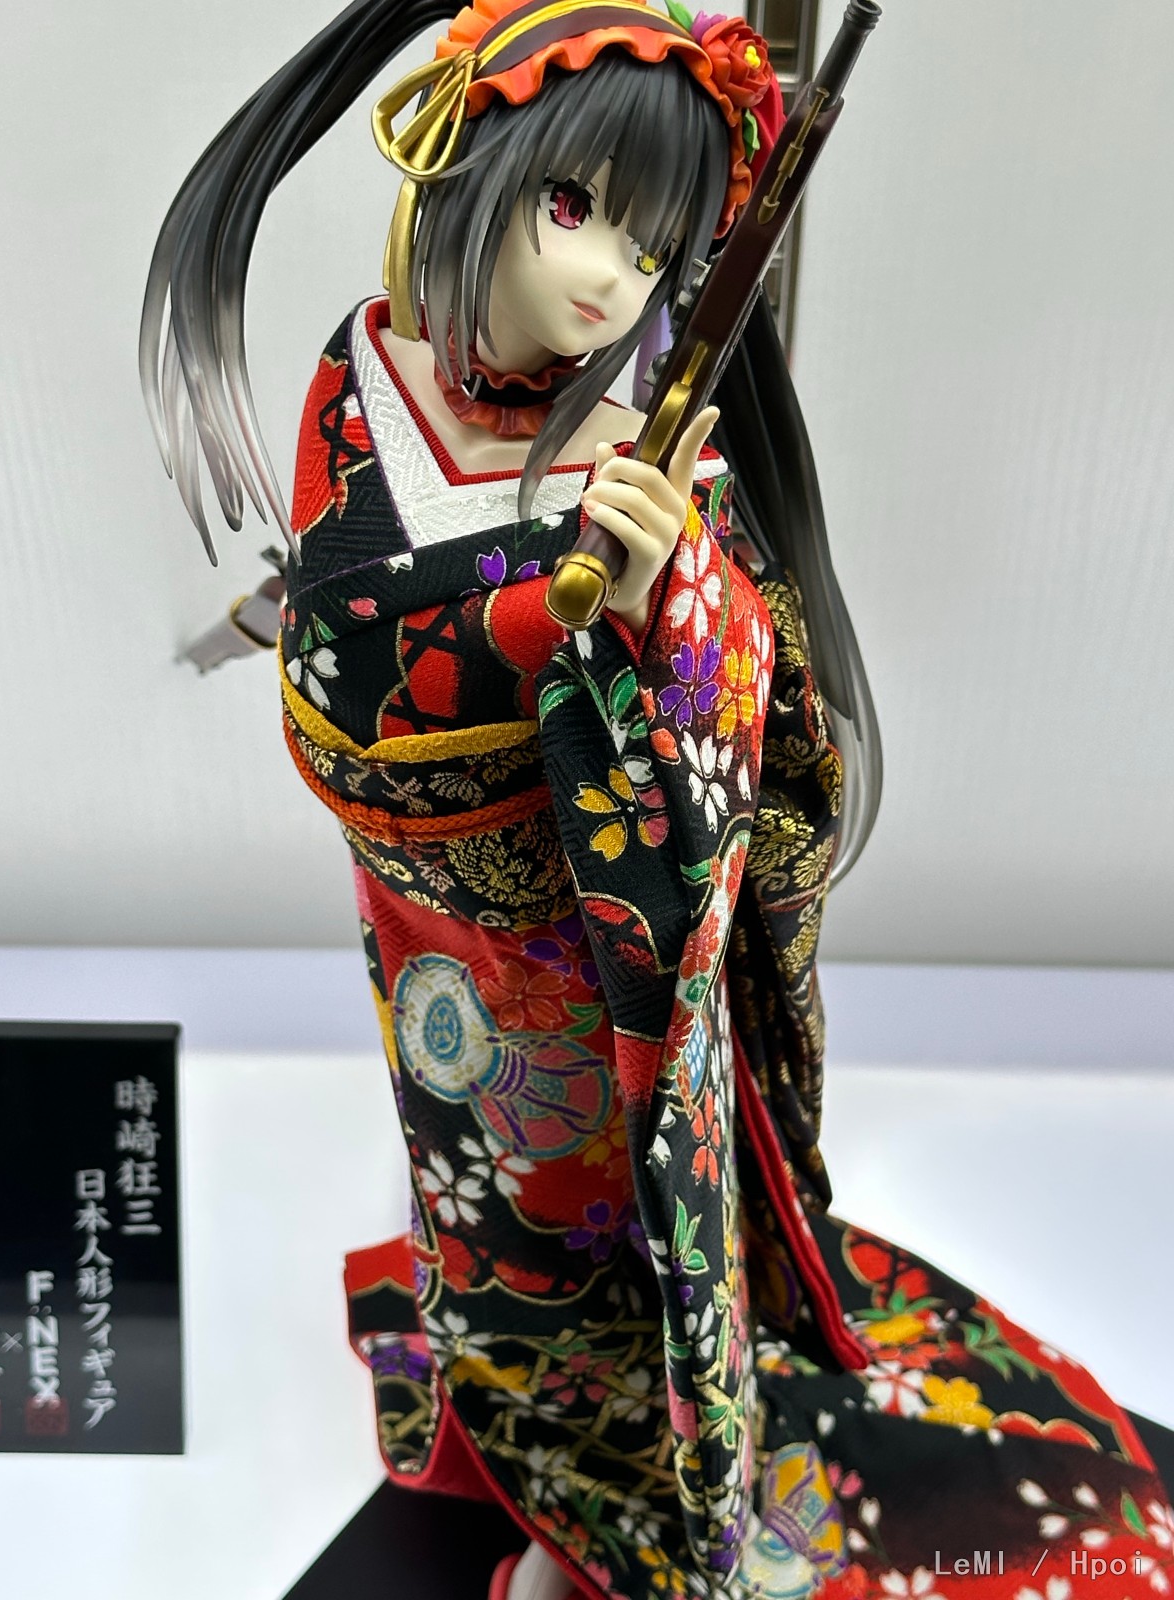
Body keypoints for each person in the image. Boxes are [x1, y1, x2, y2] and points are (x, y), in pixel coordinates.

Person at [141, 4, 1174, 1598]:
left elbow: (748, 681)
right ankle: (523, 1461)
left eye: (651, 247)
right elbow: (343, 638)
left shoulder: (639, 455)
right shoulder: (365, 374)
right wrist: (538, 613)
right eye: (575, 209)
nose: (608, 281)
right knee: (478, 1209)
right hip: (424, 930)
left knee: (605, 1231)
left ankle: (615, 1509)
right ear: (459, 155)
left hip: (589, 953)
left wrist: (667, 600)